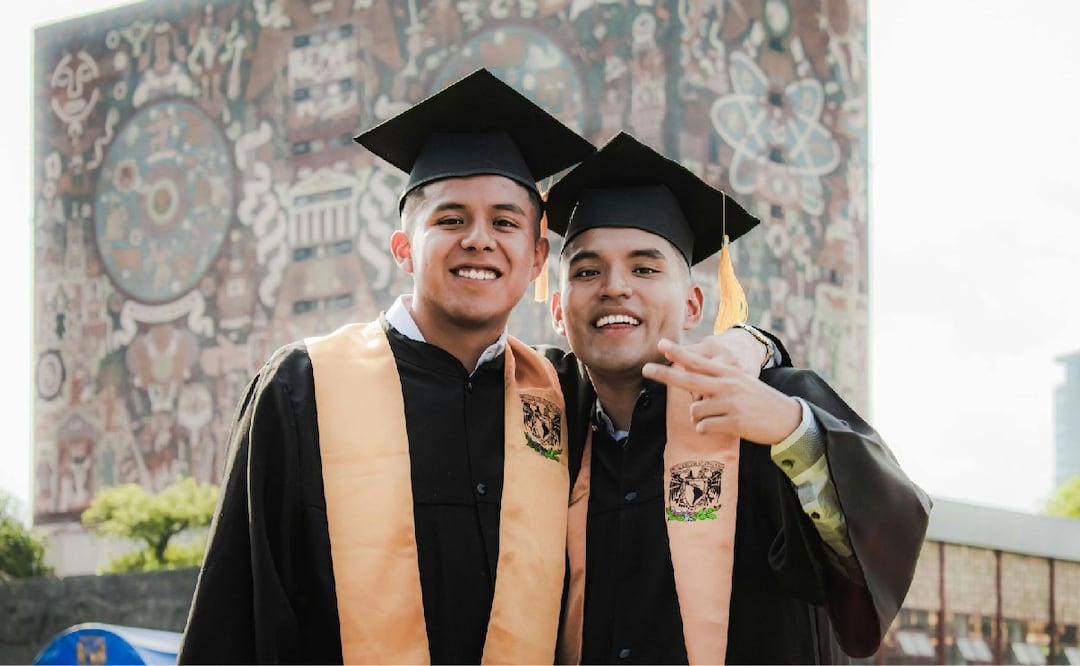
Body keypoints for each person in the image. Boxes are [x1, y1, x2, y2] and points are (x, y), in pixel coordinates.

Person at [177, 69, 596, 664]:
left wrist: (738, 353)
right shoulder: (304, 388)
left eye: (505, 222)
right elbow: (236, 612)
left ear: (535, 259)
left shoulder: (561, 396)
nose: (479, 239)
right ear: (404, 249)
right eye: (450, 220)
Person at [541, 132, 932, 664]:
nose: (614, 286)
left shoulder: (768, 407)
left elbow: (877, 542)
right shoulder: (545, 421)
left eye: (645, 268)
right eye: (588, 271)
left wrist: (796, 431)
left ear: (693, 305)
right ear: (558, 311)